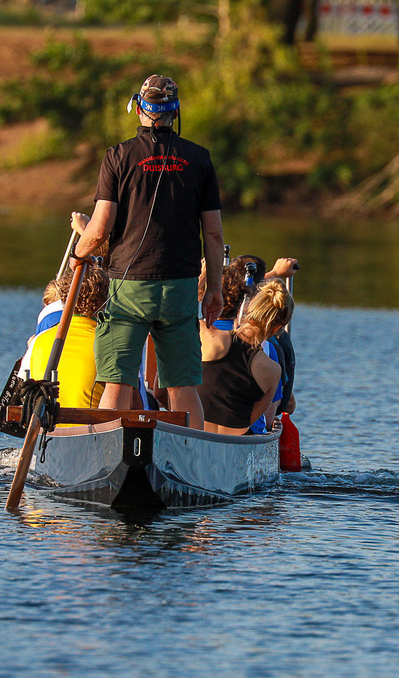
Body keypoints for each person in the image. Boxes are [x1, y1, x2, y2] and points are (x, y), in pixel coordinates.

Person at [69, 74, 225, 430]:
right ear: (175, 113)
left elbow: (100, 229)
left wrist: (79, 255)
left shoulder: (118, 156)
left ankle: (106, 452)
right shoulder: (200, 159)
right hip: (180, 288)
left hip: (128, 287)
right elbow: (213, 234)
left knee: (118, 381)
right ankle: (192, 458)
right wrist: (213, 288)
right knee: (181, 384)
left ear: (138, 108)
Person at [198, 278, 294, 435]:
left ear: (249, 309)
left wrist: (201, 280)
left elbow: (173, 313)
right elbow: (249, 419)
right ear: (277, 327)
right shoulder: (273, 370)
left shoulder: (207, 334)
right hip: (236, 445)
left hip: (196, 438)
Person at [27, 264, 109, 411]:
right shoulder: (109, 343)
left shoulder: (38, 340)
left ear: (64, 299)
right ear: (105, 302)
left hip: (48, 425)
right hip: (89, 427)